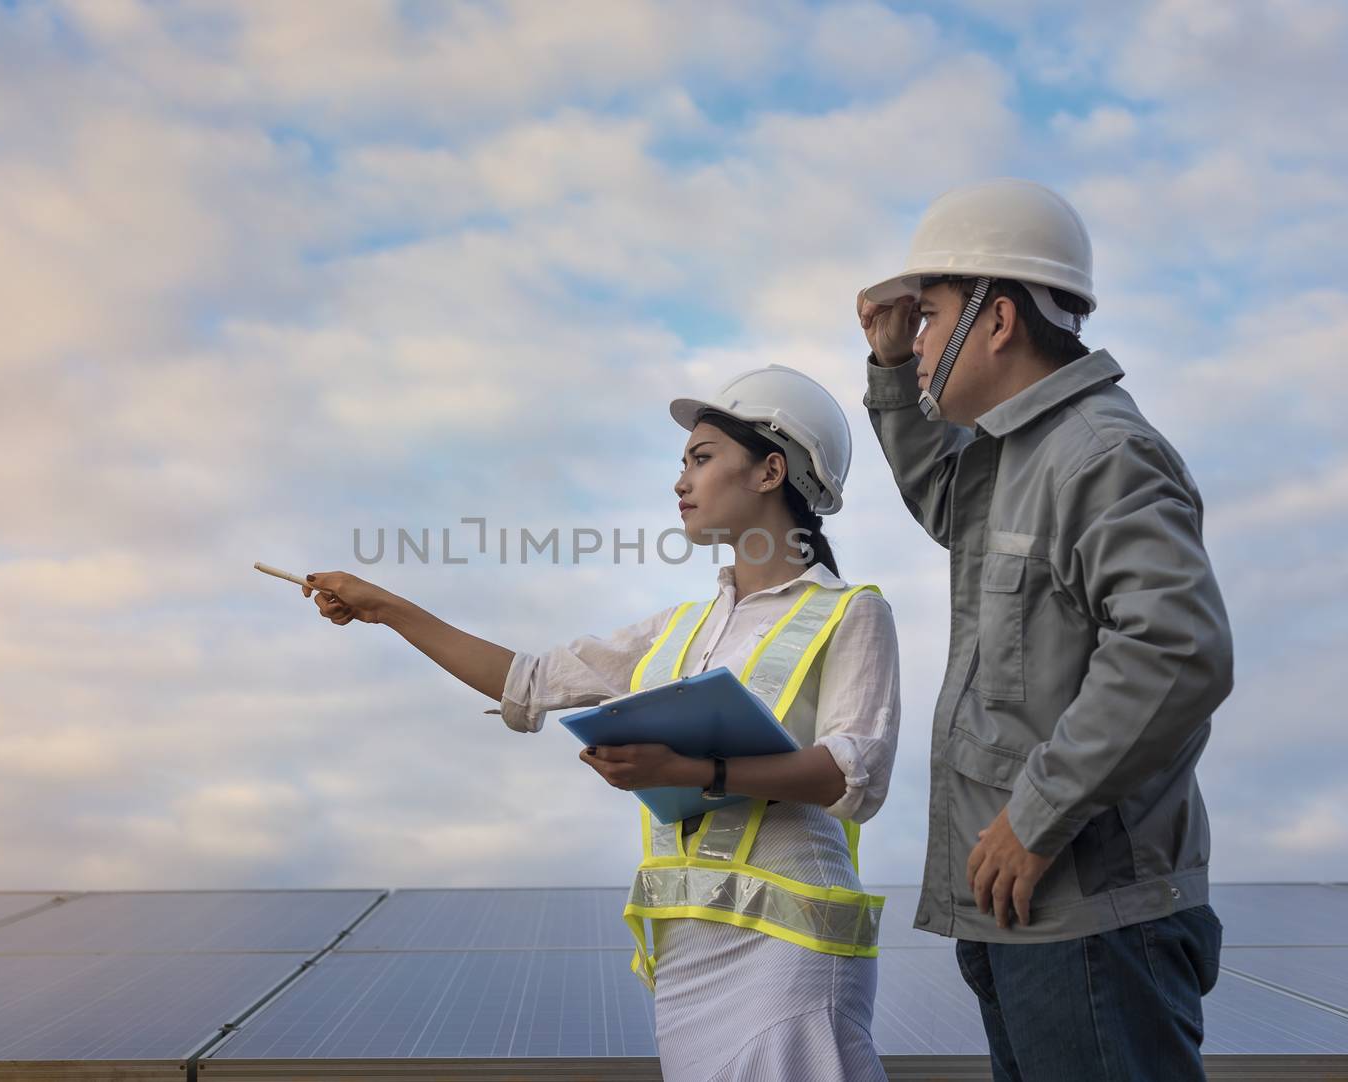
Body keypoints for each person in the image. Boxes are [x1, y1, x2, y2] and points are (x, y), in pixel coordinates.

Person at [299, 364, 900, 1081]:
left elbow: (853, 773)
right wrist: (383, 607)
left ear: (772, 470)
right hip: (686, 961)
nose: (680, 481)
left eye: (701, 459)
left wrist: (691, 773)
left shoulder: (852, 610)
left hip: (790, 955)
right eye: (682, 463)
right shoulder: (674, 632)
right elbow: (530, 681)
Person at [855, 178, 1232, 1082]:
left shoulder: (1101, 452)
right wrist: (890, 370)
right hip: (1032, 919)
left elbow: (1178, 649)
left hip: (1093, 927)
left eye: (934, 317)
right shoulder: (1017, 456)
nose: (922, 343)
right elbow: (944, 498)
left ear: (1000, 320)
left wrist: (1036, 814)